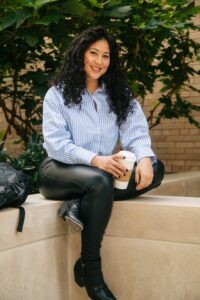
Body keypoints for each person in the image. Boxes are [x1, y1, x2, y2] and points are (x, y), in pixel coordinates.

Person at [39, 26, 165, 300]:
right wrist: (96, 160)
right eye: (93, 53)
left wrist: (143, 157)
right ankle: (92, 273)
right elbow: (56, 144)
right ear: (81, 55)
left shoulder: (118, 94)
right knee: (100, 180)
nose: (99, 61)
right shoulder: (57, 94)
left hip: (103, 172)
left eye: (105, 56)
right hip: (59, 170)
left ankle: (80, 205)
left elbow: (136, 131)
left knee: (155, 169)